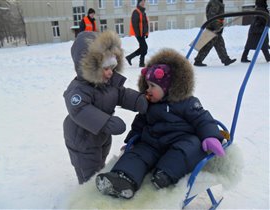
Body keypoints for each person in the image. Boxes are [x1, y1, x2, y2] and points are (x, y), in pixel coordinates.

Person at [95, 48, 225, 199]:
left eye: (152, 86)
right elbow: (140, 123)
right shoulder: (149, 104)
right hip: (152, 144)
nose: (147, 90)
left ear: (167, 88)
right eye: (147, 85)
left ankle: (165, 175)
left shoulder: (187, 102)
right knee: (137, 154)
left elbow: (202, 119)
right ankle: (123, 179)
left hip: (179, 141)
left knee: (190, 147)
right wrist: (132, 140)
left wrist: (210, 136)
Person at [63, 30, 148, 184]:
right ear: (90, 67)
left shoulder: (108, 83)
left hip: (101, 136)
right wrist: (106, 122)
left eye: (113, 67)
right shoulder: (78, 90)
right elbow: (80, 110)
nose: (110, 73)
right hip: (82, 139)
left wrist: (139, 100)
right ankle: (86, 197)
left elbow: (121, 94)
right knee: (88, 172)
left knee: (100, 162)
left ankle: (98, 183)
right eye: (106, 68)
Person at [194, 0, 236, 67]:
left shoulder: (217, 2)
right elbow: (212, 16)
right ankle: (198, 61)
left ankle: (225, 59)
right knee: (207, 45)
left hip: (216, 27)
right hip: (213, 28)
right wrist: (217, 27)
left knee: (220, 44)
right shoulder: (215, 3)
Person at [125, 0, 149, 67]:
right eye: (142, 2)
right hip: (139, 34)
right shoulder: (136, 12)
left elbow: (145, 24)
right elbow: (135, 24)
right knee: (144, 48)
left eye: (144, 2)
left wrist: (146, 33)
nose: (143, 3)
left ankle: (130, 57)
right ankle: (141, 63)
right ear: (139, 3)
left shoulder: (143, 12)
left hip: (142, 33)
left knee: (143, 48)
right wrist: (138, 34)